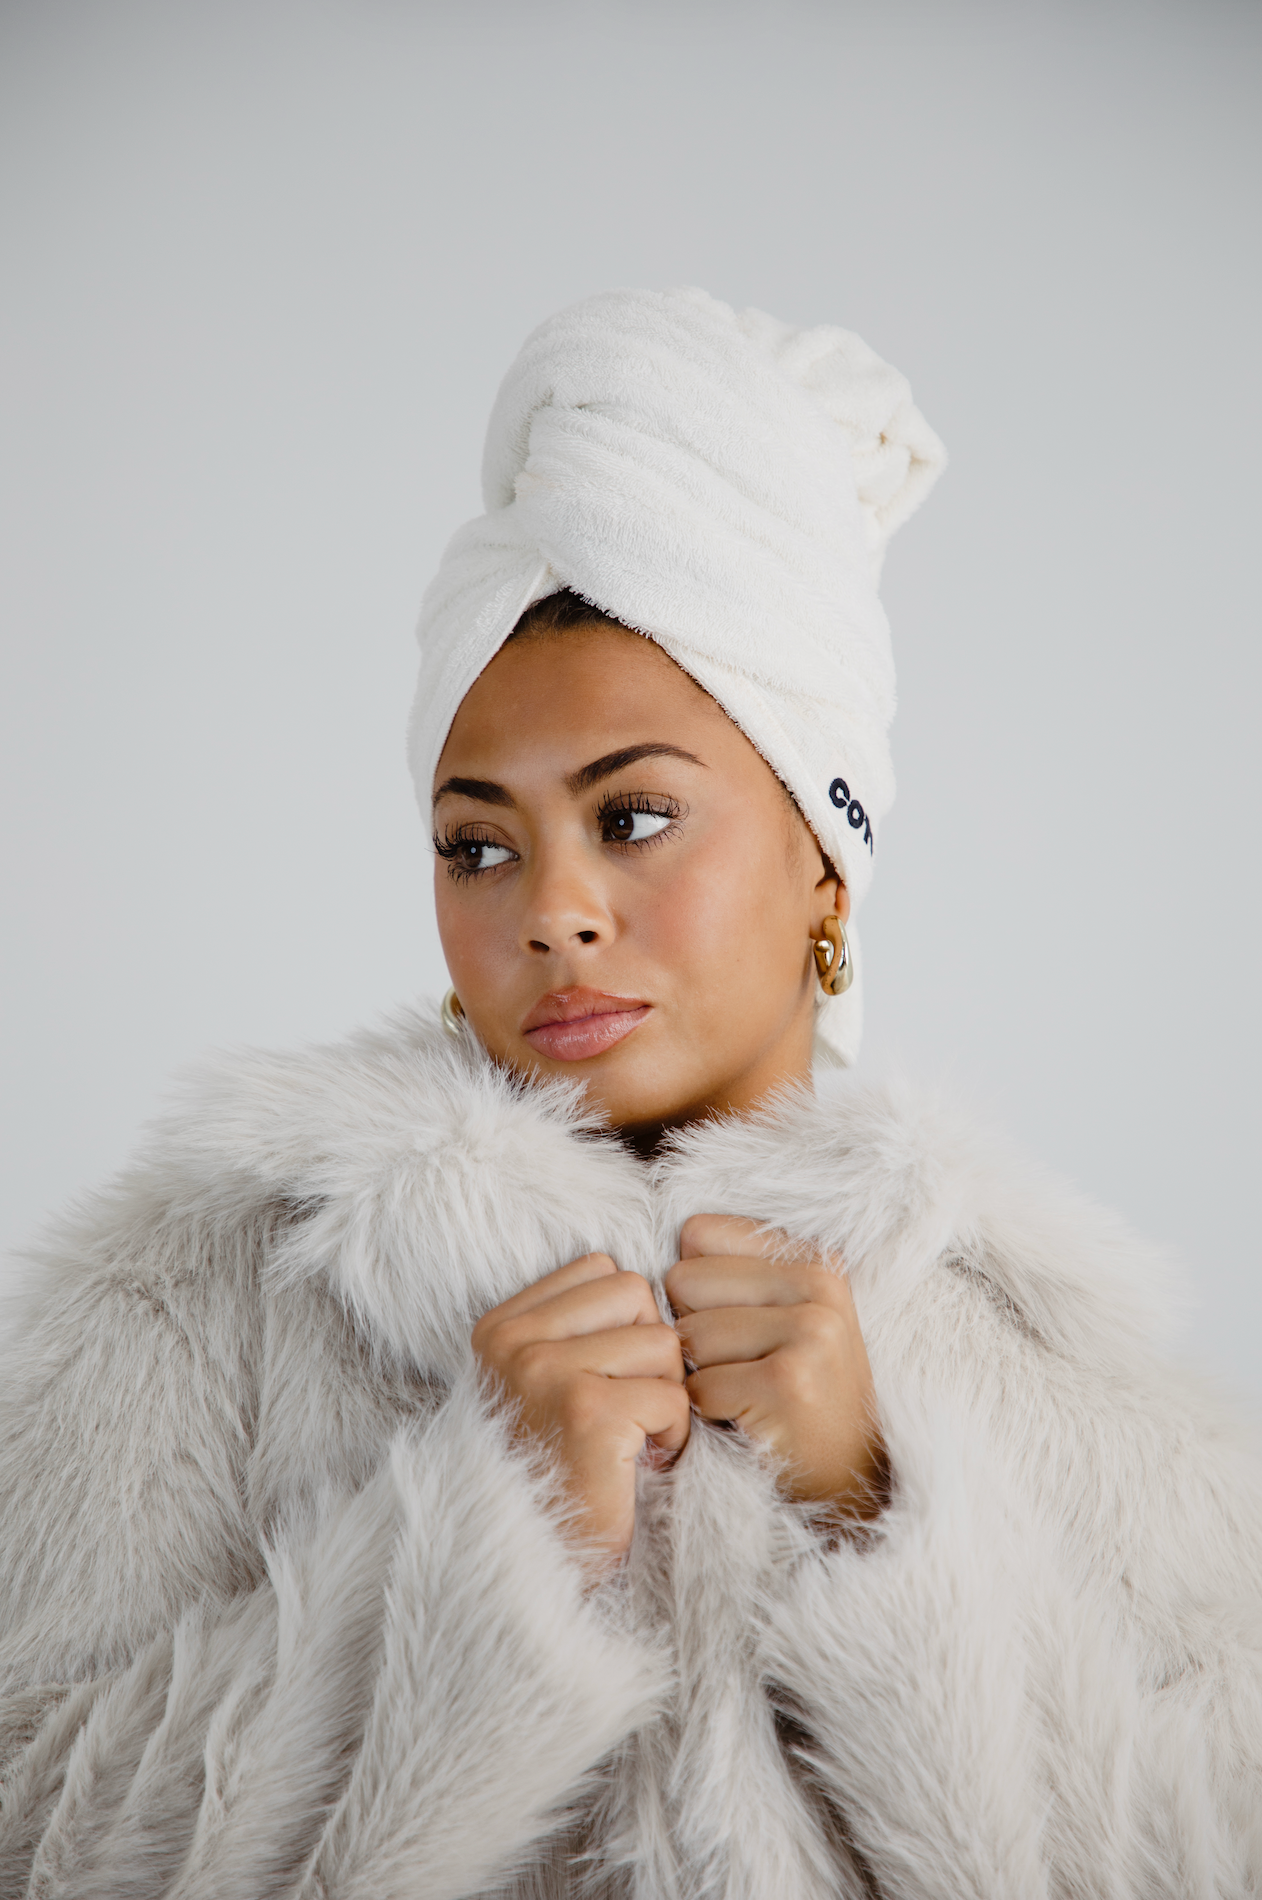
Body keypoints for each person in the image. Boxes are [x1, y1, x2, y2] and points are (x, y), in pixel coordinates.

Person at [1, 287, 1259, 1900]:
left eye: (634, 817)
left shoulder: (1054, 1377)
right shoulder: (207, 1302)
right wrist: (489, 1544)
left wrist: (879, 1516)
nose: (552, 910)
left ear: (825, 859)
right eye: (478, 844)